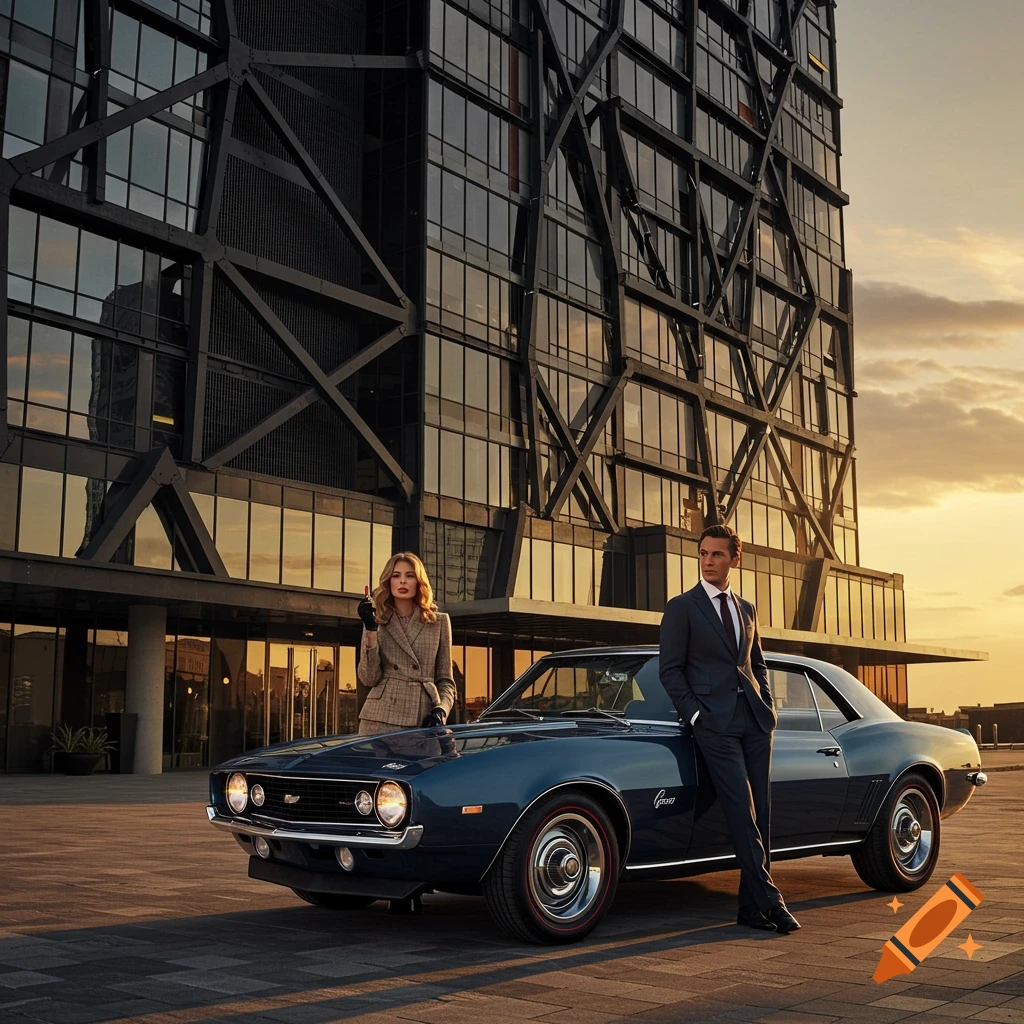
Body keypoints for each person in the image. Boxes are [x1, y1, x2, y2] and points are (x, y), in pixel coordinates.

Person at [659, 524, 800, 935]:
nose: (707, 561)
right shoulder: (682, 607)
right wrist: (696, 716)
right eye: (703, 553)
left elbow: (757, 663)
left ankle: (750, 909)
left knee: (763, 816)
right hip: (713, 724)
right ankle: (771, 901)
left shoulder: (747, 609)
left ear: (734, 559)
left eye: (717, 554)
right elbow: (670, 671)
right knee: (741, 809)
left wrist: (767, 704)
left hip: (755, 721)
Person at [356, 552, 456, 736]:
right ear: (388, 581)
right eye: (396, 575)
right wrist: (370, 629)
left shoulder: (439, 621)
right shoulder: (376, 618)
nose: (402, 581)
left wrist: (441, 710)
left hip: (424, 718)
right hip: (380, 719)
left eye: (409, 576)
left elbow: (446, 680)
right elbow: (369, 678)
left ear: (419, 582)